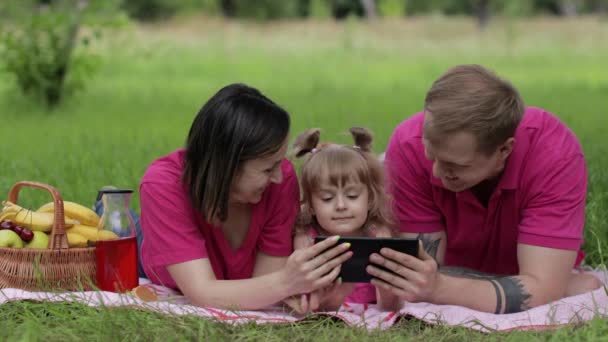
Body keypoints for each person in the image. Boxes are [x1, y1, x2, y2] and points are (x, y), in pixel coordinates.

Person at [370, 64, 602, 314]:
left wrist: (440, 289)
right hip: (510, 271)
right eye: (431, 156)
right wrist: (548, 286)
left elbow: (431, 285)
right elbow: (421, 278)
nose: (436, 172)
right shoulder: (408, 146)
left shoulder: (554, 155)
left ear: (504, 149)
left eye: (454, 165)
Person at [138, 83, 352, 310]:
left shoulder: (281, 182)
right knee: (117, 232)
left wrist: (311, 292)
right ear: (227, 166)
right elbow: (202, 292)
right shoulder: (163, 185)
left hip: (226, 271)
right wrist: (288, 282)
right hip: (160, 259)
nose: (279, 177)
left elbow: (264, 291)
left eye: (278, 163)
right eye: (267, 169)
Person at [290, 127, 402, 313]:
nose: (341, 205)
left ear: (370, 199)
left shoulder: (378, 235)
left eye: (352, 196)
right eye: (327, 198)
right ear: (310, 205)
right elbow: (308, 306)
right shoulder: (307, 239)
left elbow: (389, 309)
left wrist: (387, 288)